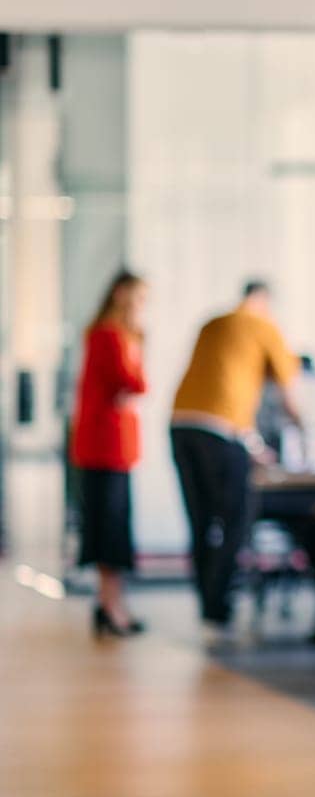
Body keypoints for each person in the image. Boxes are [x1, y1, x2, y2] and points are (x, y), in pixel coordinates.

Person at [170, 280, 304, 636]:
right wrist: (307, 432)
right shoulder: (264, 326)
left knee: (201, 520)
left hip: (181, 424)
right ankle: (218, 605)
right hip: (222, 430)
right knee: (236, 516)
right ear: (265, 301)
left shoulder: (212, 323)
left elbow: (218, 383)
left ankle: (206, 602)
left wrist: (251, 440)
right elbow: (289, 394)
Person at [70, 270, 150, 638]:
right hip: (106, 447)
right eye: (138, 298)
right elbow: (133, 382)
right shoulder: (108, 335)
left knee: (113, 528)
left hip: (113, 447)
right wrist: (138, 349)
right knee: (109, 529)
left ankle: (112, 605)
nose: (142, 307)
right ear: (120, 294)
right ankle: (110, 605)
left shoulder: (111, 335)